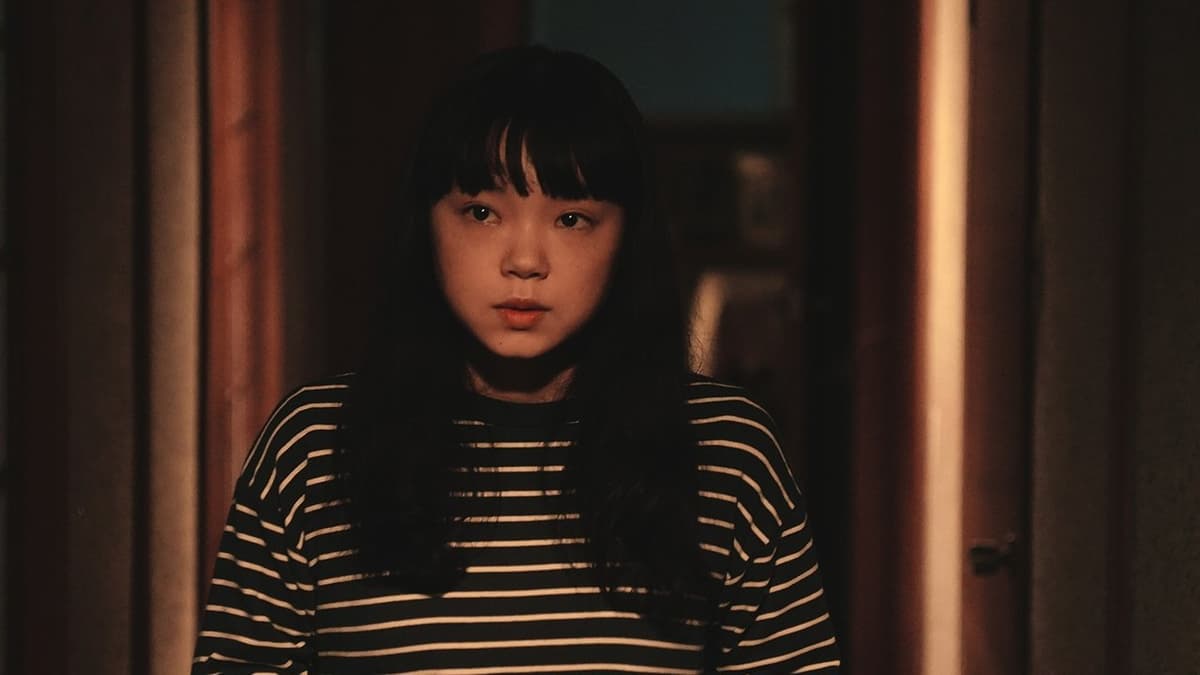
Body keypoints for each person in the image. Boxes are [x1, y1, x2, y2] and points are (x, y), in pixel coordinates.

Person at [193, 46, 840, 674]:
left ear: (626, 237)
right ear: (428, 224)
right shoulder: (314, 445)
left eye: (571, 219)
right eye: (482, 212)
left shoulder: (725, 451)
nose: (525, 260)